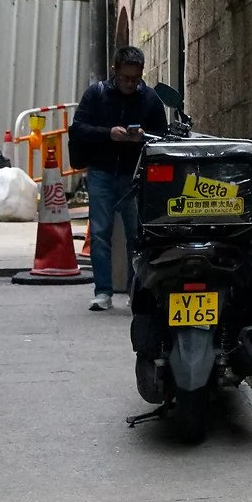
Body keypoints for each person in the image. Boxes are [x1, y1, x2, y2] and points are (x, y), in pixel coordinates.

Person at [69, 45, 169, 311]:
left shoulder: (149, 99)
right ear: (114, 71)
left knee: (137, 235)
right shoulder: (96, 94)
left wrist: (143, 136)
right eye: (125, 78)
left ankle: (135, 291)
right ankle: (103, 292)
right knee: (100, 233)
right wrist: (108, 133)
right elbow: (77, 128)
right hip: (101, 172)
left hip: (134, 175)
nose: (130, 83)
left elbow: (164, 136)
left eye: (135, 78)